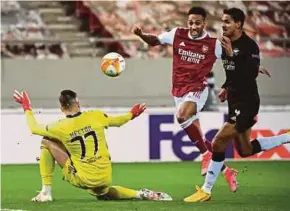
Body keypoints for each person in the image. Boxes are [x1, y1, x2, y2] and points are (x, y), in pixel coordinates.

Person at [183, 8, 290, 203]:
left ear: (238, 24)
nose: (223, 25)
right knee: (245, 150)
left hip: (247, 102)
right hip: (234, 101)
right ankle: (286, 137)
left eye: (227, 22)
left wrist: (233, 55)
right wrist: (225, 86)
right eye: (223, 21)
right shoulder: (226, 44)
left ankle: (206, 190)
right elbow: (233, 73)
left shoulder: (250, 46)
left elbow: (249, 73)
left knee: (217, 142)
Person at [132, 6, 238, 192]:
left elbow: (232, 62)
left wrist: (231, 82)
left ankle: (206, 156)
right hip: (178, 91)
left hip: (198, 89)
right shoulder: (177, 34)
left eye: (197, 23)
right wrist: (141, 35)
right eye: (191, 23)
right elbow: (155, 40)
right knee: (199, 136)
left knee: (181, 117)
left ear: (204, 23)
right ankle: (227, 171)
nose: (194, 26)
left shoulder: (214, 45)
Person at [13, 89, 172, 202]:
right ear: (78, 103)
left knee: (46, 141)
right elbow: (119, 121)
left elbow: (34, 128)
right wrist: (132, 113)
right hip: (105, 175)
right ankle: (139, 194)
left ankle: (45, 193)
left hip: (84, 178)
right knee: (103, 193)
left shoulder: (60, 127)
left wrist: (27, 107)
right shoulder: (96, 116)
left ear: (61, 108)